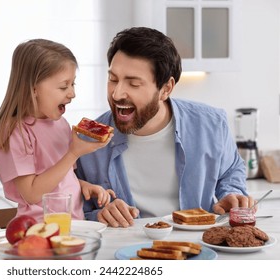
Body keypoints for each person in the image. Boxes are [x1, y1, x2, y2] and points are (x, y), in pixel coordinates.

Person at [75, 27, 254, 228]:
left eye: (133, 84)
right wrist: (100, 215)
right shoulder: (87, 140)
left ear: (165, 89)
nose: (117, 94)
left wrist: (231, 193)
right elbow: (74, 209)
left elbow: (231, 169)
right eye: (113, 79)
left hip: (198, 248)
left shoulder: (211, 123)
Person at [0, 39, 114, 222]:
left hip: (73, 227)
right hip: (38, 229)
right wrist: (73, 153)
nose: (72, 93)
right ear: (34, 88)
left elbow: (59, 178)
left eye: (73, 84)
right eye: (64, 86)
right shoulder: (15, 132)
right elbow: (32, 193)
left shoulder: (61, 124)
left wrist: (82, 185)